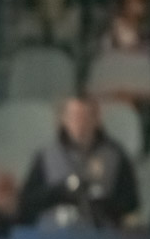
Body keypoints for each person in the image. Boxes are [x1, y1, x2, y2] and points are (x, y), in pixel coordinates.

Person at [18, 96, 139, 229]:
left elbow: (131, 202)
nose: (80, 124)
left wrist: (101, 202)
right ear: (63, 120)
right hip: (55, 232)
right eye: (74, 117)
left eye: (86, 117)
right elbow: (28, 202)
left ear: (97, 119)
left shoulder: (114, 155)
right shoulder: (46, 156)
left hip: (100, 234)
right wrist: (60, 192)